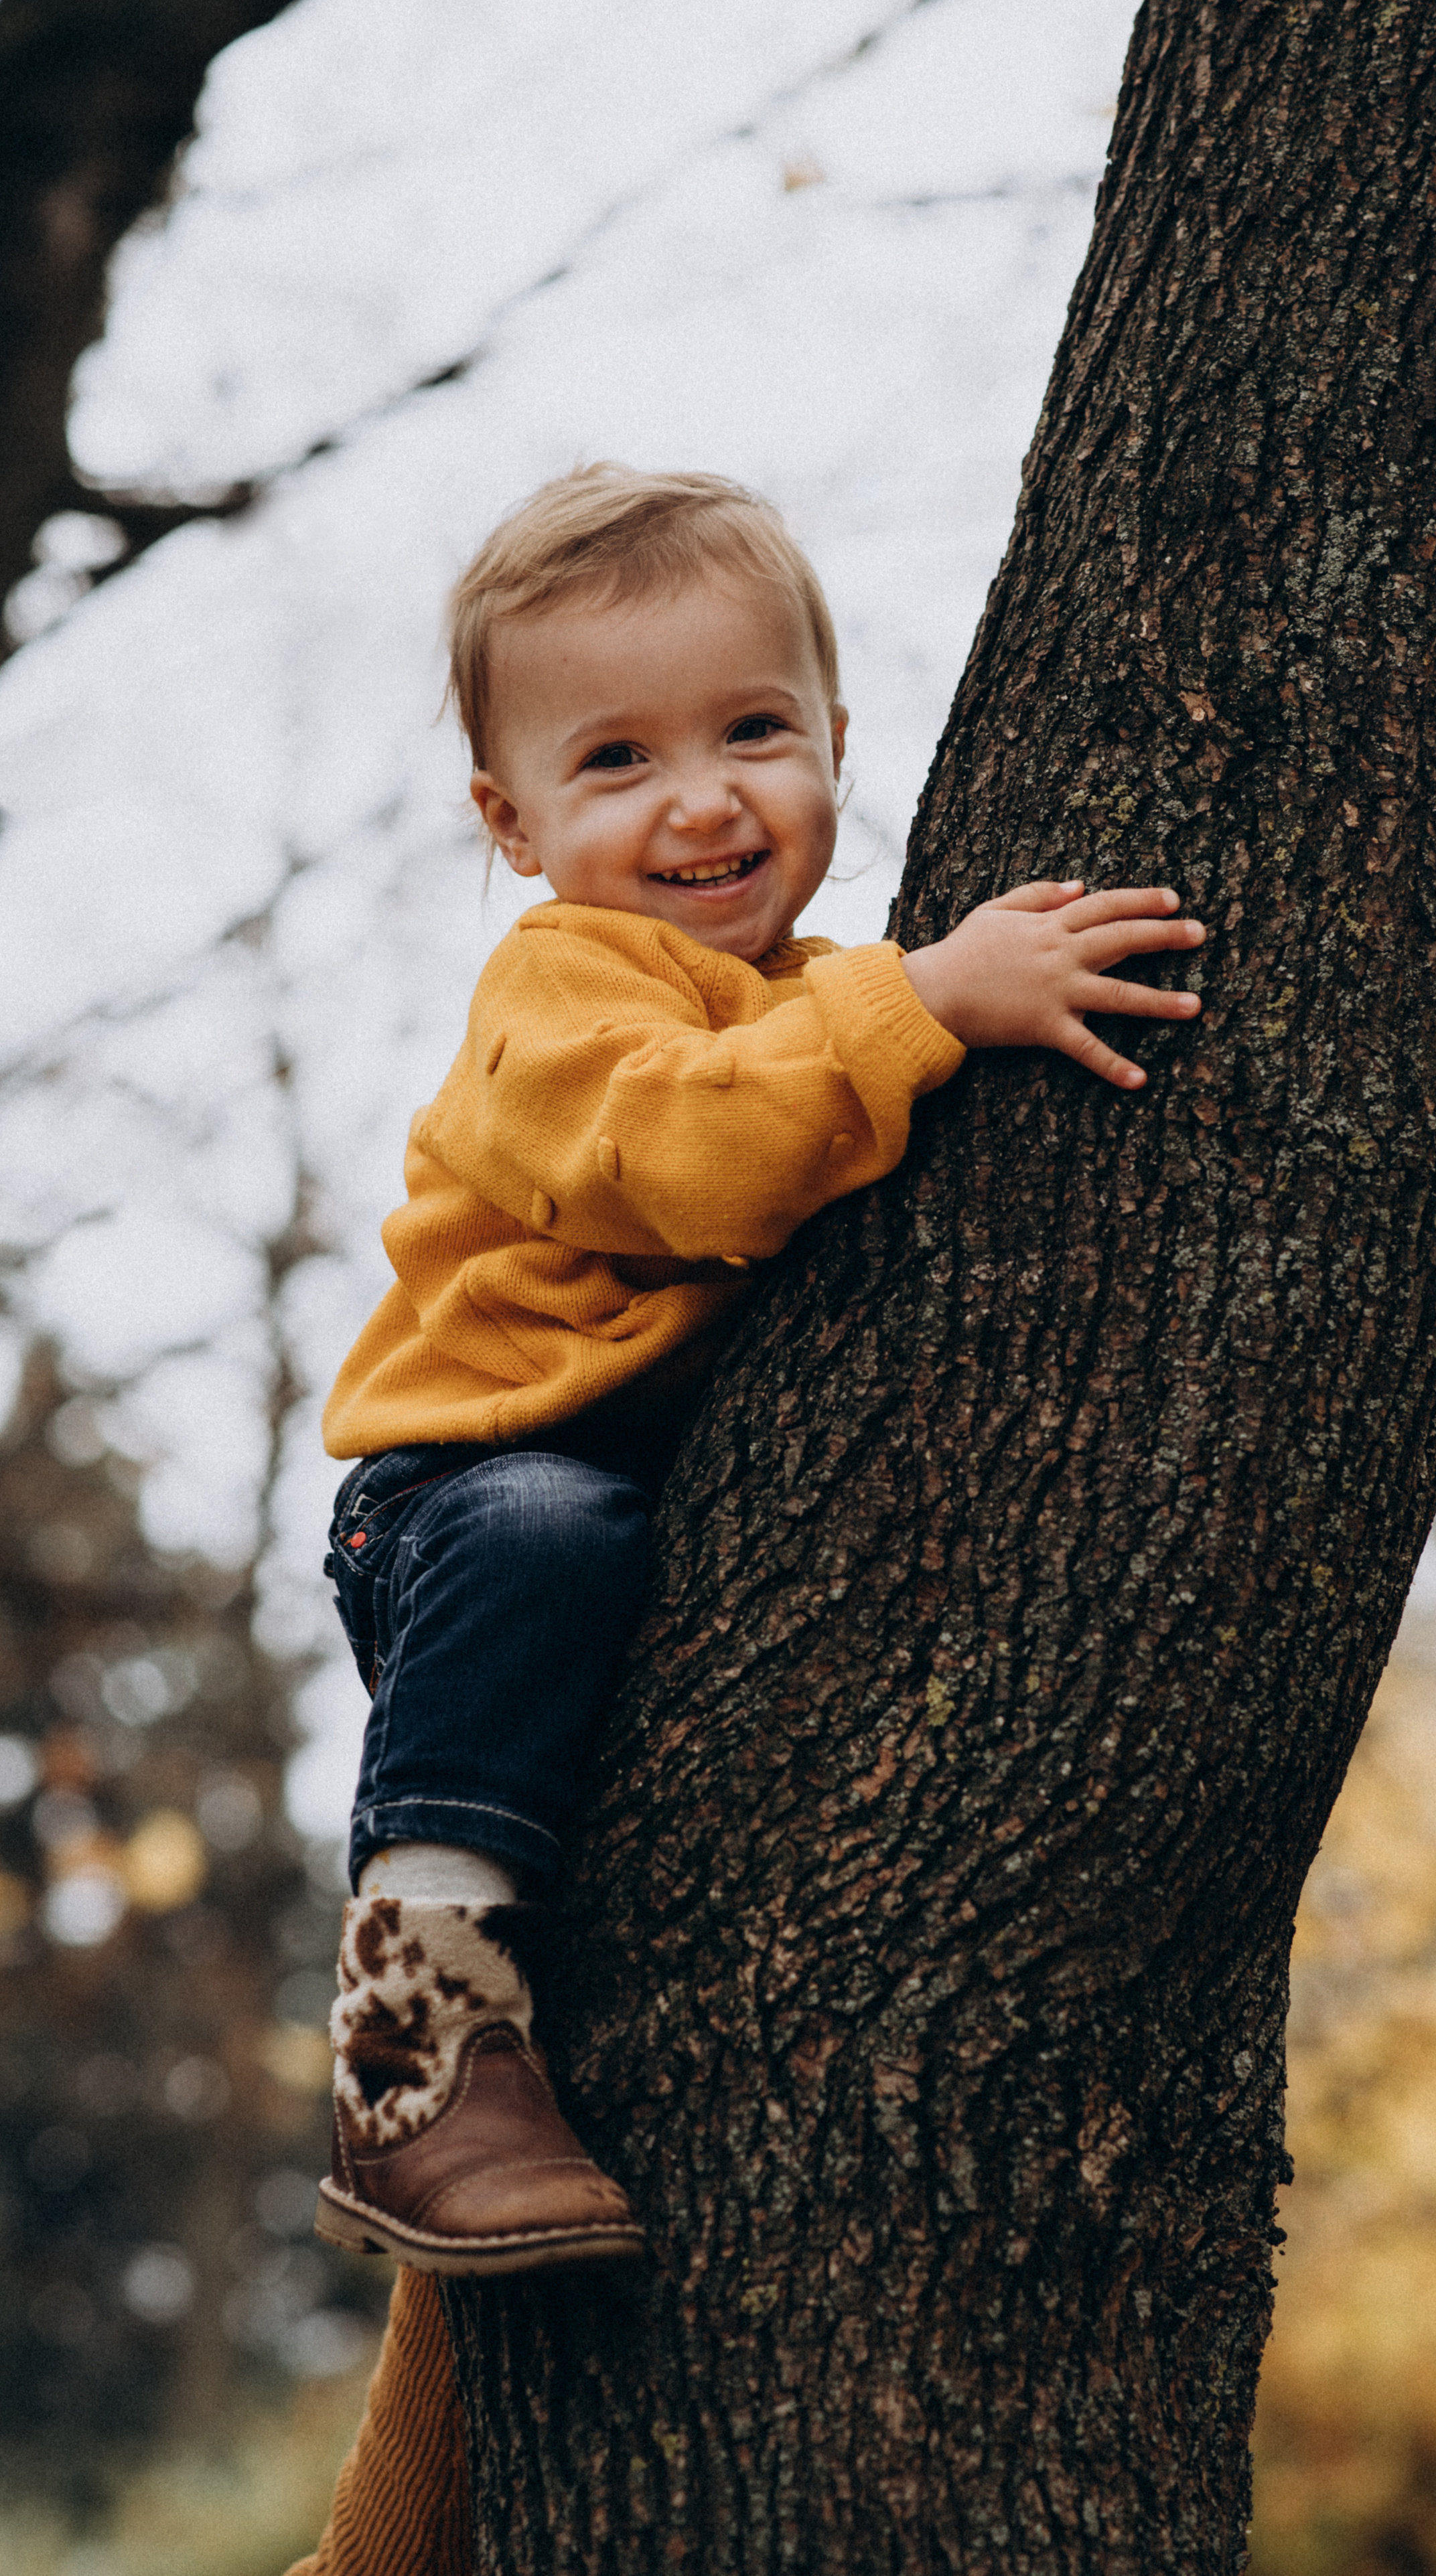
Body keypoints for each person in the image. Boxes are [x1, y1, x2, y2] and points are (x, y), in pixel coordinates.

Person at [290, 462, 1202, 2563]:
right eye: (615, 760)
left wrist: (905, 1004)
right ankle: (409, 2044)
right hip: (466, 1511)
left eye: (750, 732)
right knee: (553, 1538)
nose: (698, 802)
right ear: (513, 828)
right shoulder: (570, 994)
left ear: (838, 739)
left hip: (635, 1549)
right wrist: (930, 1007)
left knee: (570, 2092)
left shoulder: (821, 999)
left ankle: (391, 2502)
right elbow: (695, 1166)